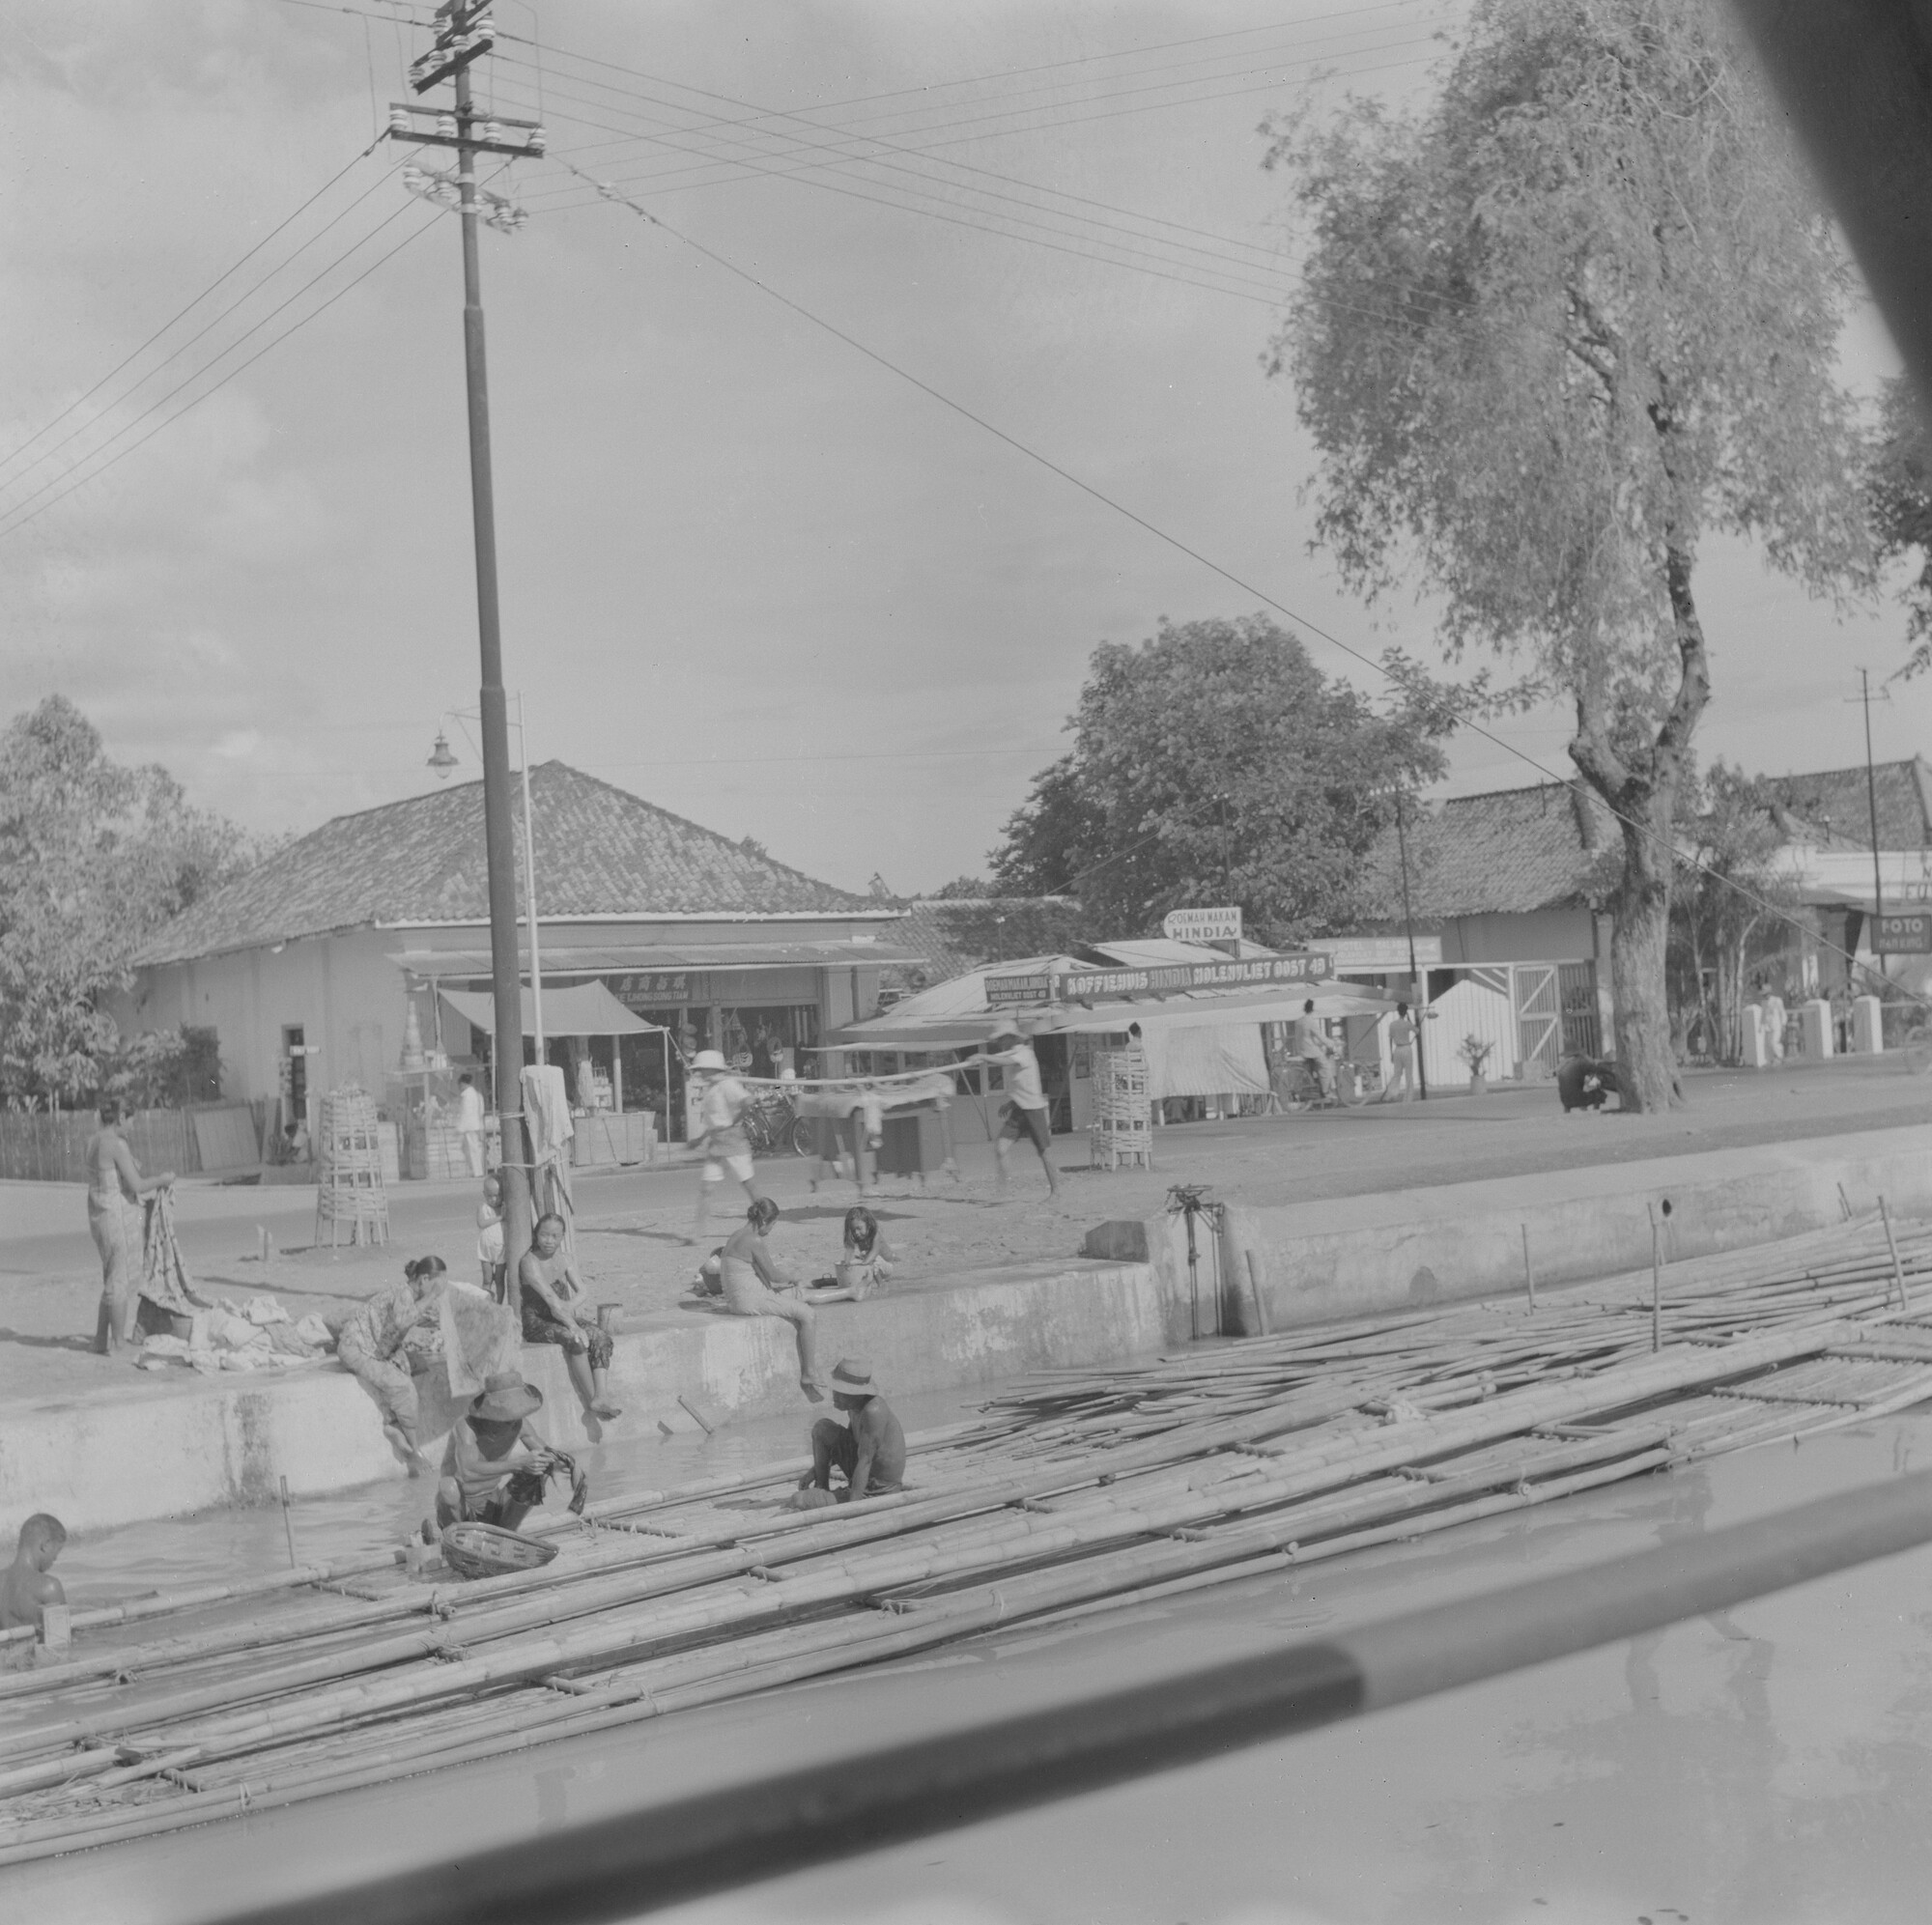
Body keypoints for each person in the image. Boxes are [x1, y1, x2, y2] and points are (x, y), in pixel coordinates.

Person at [433, 1371, 585, 1534]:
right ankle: (457, 1536)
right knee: (448, 1488)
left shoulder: (520, 1425)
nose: (512, 1422)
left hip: (494, 1502)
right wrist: (518, 1464)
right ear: (490, 1413)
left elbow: (547, 1455)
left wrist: (570, 1468)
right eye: (506, 1415)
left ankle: (506, 1531)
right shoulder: (466, 1427)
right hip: (462, 1505)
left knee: (537, 1470)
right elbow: (468, 1471)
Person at [337, 1256, 449, 1472]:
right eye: (438, 1284)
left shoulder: (412, 1296)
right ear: (424, 1279)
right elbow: (401, 1321)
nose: (440, 1290)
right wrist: (433, 1295)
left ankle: (394, 1425)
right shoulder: (403, 1293)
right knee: (402, 1386)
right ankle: (414, 1450)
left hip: (378, 1350)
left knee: (417, 1367)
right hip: (356, 1349)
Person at [85, 1099, 175, 1355]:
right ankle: (117, 1344)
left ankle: (100, 1340)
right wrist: (162, 1179)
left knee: (111, 1277)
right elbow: (136, 1185)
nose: (133, 1127)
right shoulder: (116, 1144)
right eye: (132, 1120)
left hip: (99, 1214)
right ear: (121, 1117)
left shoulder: (94, 1141)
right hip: (116, 1216)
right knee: (119, 1280)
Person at [520, 1211, 622, 1422]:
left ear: (562, 1237)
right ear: (536, 1235)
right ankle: (591, 1398)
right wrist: (572, 1324)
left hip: (561, 1316)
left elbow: (583, 1292)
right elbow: (551, 1301)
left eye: (555, 1236)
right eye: (544, 1235)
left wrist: (569, 1306)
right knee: (575, 1339)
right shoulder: (529, 1262)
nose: (549, 1241)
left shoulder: (566, 1258)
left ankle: (601, 1396)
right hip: (537, 1321)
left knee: (599, 1336)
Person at [721, 1198, 826, 1401]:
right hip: (748, 1299)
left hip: (741, 1296)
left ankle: (850, 1292)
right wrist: (795, 1277)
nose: (771, 1229)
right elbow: (774, 1276)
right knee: (808, 1314)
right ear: (764, 1222)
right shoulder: (754, 1240)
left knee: (799, 1295)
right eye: (773, 1224)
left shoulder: (736, 1235)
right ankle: (809, 1372)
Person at [798, 1358, 906, 1504]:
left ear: (858, 1394)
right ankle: (821, 1486)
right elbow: (849, 1447)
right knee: (822, 1428)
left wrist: (853, 1506)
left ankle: (850, 1496)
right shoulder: (854, 1408)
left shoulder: (873, 1411)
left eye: (840, 1392)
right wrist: (816, 1471)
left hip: (878, 1488)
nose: (834, 1396)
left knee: (799, 1501)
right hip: (863, 1473)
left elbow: (865, 1460)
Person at [690, 1048, 767, 1238]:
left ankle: (766, 1220)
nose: (700, 1073)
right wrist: (700, 1139)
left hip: (733, 1140)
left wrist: (735, 1121)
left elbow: (747, 1101)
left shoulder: (727, 1085)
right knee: (707, 1187)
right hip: (716, 1143)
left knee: (748, 1184)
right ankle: (697, 1232)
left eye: (702, 1069)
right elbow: (714, 1120)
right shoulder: (712, 1089)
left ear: (711, 1068)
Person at [986, 1021, 1059, 1198]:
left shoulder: (1025, 1054)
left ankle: (1055, 1191)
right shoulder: (1013, 1053)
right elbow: (1022, 1085)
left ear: (1011, 1038)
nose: (1000, 1044)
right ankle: (1003, 1190)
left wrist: (982, 1058)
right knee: (1000, 1147)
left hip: (1034, 1110)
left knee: (1044, 1153)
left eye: (1002, 1039)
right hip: (1019, 1109)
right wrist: (1010, 1103)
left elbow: (1005, 1061)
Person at [0, 1515, 67, 1633]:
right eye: (57, 1551)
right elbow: (61, 1639)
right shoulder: (49, 1587)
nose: (55, 1558)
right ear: (46, 1545)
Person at [838, 1204, 897, 1299]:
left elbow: (874, 1252)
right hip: (875, 1266)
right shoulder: (859, 1236)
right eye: (853, 1230)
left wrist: (863, 1263)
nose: (856, 1233)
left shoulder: (875, 1235)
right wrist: (847, 1263)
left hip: (887, 1268)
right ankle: (867, 1280)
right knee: (859, 1258)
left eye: (859, 1228)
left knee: (868, 1257)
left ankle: (881, 1284)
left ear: (869, 1225)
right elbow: (849, 1250)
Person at [1292, 1001, 1336, 1101]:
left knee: (1314, 1069)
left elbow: (1305, 1037)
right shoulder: (1310, 1021)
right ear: (1313, 1010)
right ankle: (1326, 1092)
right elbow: (1319, 1036)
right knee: (1326, 1068)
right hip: (1311, 1051)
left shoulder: (1298, 1021)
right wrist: (1331, 1044)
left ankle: (1315, 1090)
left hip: (1301, 1050)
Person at [1380, 1002, 1419, 1103]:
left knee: (1397, 1073)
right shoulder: (1407, 1024)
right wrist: (1409, 1018)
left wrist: (1391, 1054)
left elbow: (1390, 1039)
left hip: (1397, 1049)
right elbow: (1417, 1031)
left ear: (1398, 1012)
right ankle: (1408, 1098)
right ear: (1405, 1012)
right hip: (1406, 1048)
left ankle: (1391, 1094)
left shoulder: (1392, 1025)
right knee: (1408, 1074)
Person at [476, 1170, 506, 1298]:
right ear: (484, 1194)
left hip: (501, 1251)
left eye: (498, 1195)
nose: (494, 1199)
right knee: (487, 1279)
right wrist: (500, 1217)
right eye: (490, 1196)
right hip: (485, 1251)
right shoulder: (483, 1208)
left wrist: (504, 1214)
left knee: (499, 1280)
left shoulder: (505, 1207)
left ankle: (498, 1304)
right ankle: (486, 1303)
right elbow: (481, 1224)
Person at [455, 1072, 488, 1178]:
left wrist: (460, 1127)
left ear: (463, 1084)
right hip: (474, 1125)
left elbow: (465, 1112)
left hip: (469, 1126)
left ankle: (477, 1171)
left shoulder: (467, 1096)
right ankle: (475, 1170)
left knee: (472, 1149)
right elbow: (481, 1111)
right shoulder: (476, 1094)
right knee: (468, 1149)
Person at [1760, 985, 1786, 1064]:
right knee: (1769, 1044)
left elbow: (1782, 1012)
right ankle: (1775, 1058)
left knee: (1774, 1042)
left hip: (1776, 1025)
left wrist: (1783, 1024)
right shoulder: (1763, 1002)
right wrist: (1761, 1025)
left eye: (1766, 994)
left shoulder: (1776, 1000)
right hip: (1768, 1026)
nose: (1765, 996)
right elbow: (1763, 1014)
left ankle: (1780, 1056)